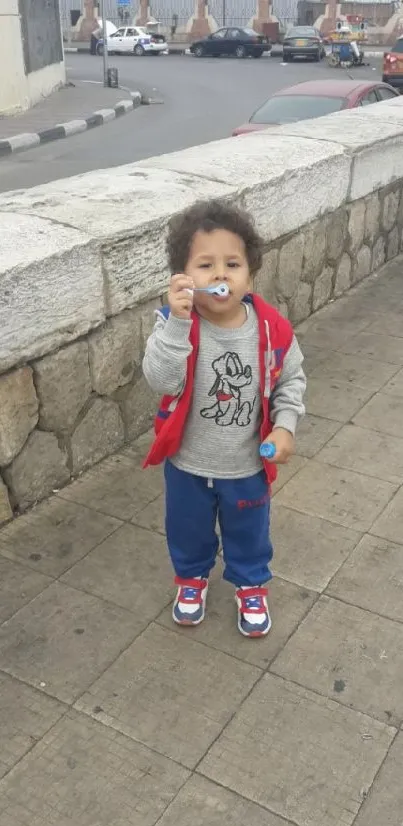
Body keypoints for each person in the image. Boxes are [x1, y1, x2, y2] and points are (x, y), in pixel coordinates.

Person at [142, 200, 306, 638]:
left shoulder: (273, 329)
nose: (219, 275)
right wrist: (176, 324)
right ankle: (191, 579)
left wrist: (285, 425)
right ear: (183, 277)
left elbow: (291, 381)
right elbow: (160, 378)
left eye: (232, 263)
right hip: (188, 464)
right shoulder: (173, 326)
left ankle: (250, 583)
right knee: (186, 529)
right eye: (205, 265)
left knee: (250, 531)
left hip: (247, 466)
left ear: (250, 271)